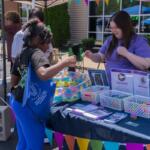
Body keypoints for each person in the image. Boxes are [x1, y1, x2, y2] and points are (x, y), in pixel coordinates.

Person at [10, 19, 76, 150]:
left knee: (23, 142)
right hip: (29, 107)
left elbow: (14, 80)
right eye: (47, 42)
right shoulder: (36, 53)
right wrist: (65, 62)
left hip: (18, 103)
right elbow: (44, 74)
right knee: (34, 144)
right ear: (39, 39)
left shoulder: (22, 52)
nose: (48, 46)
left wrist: (17, 93)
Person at [85, 11, 150, 85]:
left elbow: (146, 64)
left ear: (125, 27)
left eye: (116, 28)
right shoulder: (110, 40)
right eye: (111, 28)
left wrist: (127, 54)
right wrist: (92, 56)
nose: (113, 31)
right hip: (110, 85)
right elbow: (100, 57)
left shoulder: (138, 41)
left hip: (130, 87)